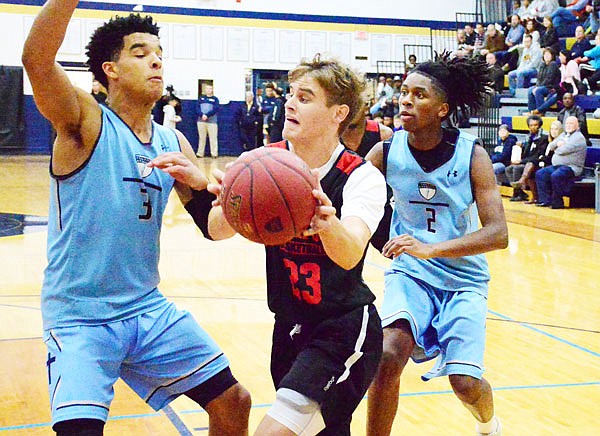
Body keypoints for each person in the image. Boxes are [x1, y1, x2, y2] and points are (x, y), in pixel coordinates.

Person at [22, 4, 251, 435]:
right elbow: (36, 59)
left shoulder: (173, 140)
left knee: (234, 400)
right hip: (80, 317)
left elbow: (213, 228)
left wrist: (228, 199)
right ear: (110, 69)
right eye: (141, 52)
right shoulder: (84, 121)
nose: (157, 60)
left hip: (147, 309)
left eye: (160, 53)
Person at [208, 54, 387, 435]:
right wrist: (231, 200)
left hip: (343, 329)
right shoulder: (259, 163)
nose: (289, 102)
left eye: (305, 97)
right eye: (291, 94)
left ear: (339, 113)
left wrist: (328, 223)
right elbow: (217, 229)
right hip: (289, 325)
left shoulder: (360, 177)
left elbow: (351, 249)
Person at [365, 52, 508, 436]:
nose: (406, 100)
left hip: (464, 280)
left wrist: (432, 248)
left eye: (419, 94)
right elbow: (354, 202)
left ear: (443, 109)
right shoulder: (385, 152)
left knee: (465, 384)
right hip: (411, 274)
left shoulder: (472, 155)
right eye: (404, 92)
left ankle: (489, 424)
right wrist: (383, 242)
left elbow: (498, 233)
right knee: (387, 355)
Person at [536, 115, 588, 208]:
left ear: (577, 125)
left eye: (571, 123)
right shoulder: (564, 134)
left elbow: (562, 150)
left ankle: (558, 202)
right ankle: (545, 200)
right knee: (541, 173)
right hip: (557, 166)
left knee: (556, 175)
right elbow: (551, 145)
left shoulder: (578, 137)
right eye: (567, 123)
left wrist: (558, 147)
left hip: (572, 167)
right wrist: (557, 145)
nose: (568, 125)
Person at [505, 114, 549, 201]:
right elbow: (527, 152)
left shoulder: (544, 137)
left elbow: (537, 154)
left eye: (535, 125)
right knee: (509, 168)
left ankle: (517, 192)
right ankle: (520, 192)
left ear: (539, 125)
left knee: (517, 168)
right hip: (527, 161)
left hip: (537, 162)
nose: (533, 127)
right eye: (531, 125)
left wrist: (521, 161)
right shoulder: (529, 137)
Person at [196, 84, 220, 158]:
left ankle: (214, 153)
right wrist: (201, 115)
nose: (208, 90)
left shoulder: (215, 99)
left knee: (213, 138)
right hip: (201, 121)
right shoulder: (201, 98)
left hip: (212, 122)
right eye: (207, 89)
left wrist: (207, 115)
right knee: (201, 138)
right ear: (205, 90)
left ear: (212, 90)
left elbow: (215, 109)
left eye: (210, 89)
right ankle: (200, 153)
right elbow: (197, 108)